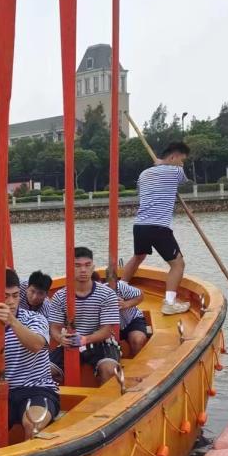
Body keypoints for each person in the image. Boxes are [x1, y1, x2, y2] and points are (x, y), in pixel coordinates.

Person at [0, 269, 59, 450]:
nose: (11, 302)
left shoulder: (35, 319)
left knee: (34, 424)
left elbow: (37, 344)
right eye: (5, 296)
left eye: (15, 296)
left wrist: (12, 322)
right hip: (3, 392)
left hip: (37, 388)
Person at [120, 141, 192, 315]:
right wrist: (166, 165)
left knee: (138, 256)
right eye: (182, 160)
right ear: (173, 157)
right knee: (178, 264)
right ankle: (169, 303)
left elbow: (143, 191)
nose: (182, 164)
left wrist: (161, 165)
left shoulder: (144, 174)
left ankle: (119, 287)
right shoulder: (176, 171)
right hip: (158, 226)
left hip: (140, 225)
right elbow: (185, 180)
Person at [47, 247, 122, 386]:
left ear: (93, 267)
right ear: (70, 268)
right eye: (77, 265)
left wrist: (85, 339)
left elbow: (106, 330)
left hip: (101, 342)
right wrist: (60, 338)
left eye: (87, 265)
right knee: (45, 371)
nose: (83, 270)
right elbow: (54, 328)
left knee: (109, 369)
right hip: (70, 341)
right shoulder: (60, 296)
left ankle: (106, 399)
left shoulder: (107, 294)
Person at [116, 280, 148, 355]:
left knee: (138, 340)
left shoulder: (118, 286)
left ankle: (136, 360)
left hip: (131, 320)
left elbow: (140, 294)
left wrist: (126, 304)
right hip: (107, 325)